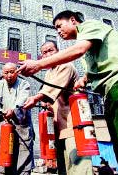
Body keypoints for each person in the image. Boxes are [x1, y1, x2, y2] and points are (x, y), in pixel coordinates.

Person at [19, 10, 118, 175]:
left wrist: (38, 65)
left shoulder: (89, 26)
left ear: (73, 20)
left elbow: (78, 50)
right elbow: (94, 67)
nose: (58, 31)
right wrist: (84, 80)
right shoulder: (87, 52)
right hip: (109, 91)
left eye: (59, 26)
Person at [24, 41, 93, 174]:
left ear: (58, 52)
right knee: (64, 167)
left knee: (79, 166)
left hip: (75, 124)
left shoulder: (66, 65)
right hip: (59, 125)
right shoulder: (49, 73)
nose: (48, 54)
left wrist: (36, 98)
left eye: (51, 51)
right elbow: (49, 96)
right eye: (44, 53)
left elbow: (51, 89)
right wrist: (45, 103)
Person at [0, 62, 34, 174]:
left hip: (22, 126)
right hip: (4, 126)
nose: (9, 75)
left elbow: (22, 100)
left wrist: (14, 110)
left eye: (12, 72)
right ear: (2, 73)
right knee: (5, 157)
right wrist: (2, 112)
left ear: (17, 72)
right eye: (6, 73)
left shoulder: (24, 84)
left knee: (23, 159)